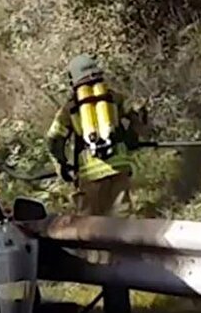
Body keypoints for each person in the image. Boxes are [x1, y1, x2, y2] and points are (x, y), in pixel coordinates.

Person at [46, 54, 145, 217]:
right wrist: (132, 136)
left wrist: (61, 164)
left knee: (89, 225)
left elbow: (53, 138)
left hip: (89, 175)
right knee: (122, 221)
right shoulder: (114, 97)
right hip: (118, 167)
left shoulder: (70, 108)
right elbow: (138, 112)